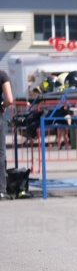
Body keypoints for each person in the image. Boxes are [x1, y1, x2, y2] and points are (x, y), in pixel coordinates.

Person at [0, 69, 15, 200]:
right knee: (0, 154)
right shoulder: (2, 75)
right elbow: (9, 99)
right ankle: (1, 190)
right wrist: (3, 106)